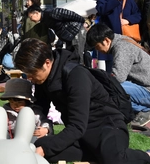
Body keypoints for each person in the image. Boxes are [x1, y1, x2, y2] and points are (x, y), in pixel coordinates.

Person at [14, 38, 150, 163]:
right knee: (39, 147)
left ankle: (147, 156)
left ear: (47, 63)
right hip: (80, 134)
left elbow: (77, 125)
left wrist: (46, 148)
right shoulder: (43, 79)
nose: (30, 78)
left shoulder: (76, 75)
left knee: (114, 159)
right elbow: (40, 107)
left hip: (106, 126)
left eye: (32, 73)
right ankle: (96, 153)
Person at [86, 23, 150, 126]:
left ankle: (145, 110)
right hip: (143, 86)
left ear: (106, 40)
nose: (97, 51)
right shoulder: (122, 40)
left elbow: (117, 78)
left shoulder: (122, 47)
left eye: (97, 47)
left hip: (147, 90)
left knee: (113, 88)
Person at [0, 78, 53, 147]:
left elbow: (45, 121)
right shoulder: (5, 112)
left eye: (19, 102)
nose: (15, 105)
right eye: (12, 102)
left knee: (36, 133)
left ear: (27, 101)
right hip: (9, 139)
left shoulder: (34, 112)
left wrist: (46, 129)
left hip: (28, 140)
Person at [96, 0, 141, 72]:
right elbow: (102, 11)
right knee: (111, 70)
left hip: (126, 40)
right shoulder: (102, 0)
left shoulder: (128, 0)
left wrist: (128, 20)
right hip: (109, 41)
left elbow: (138, 15)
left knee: (128, 68)